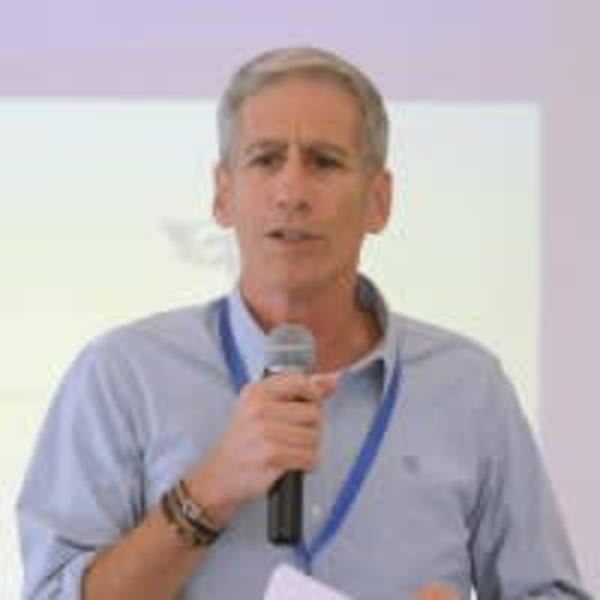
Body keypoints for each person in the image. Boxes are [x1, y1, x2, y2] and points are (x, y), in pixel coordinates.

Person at [17, 46, 590, 600]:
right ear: (223, 194)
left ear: (379, 200)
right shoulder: (122, 376)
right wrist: (208, 490)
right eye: (266, 159)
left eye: (324, 162)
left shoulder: (469, 387)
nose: (292, 192)